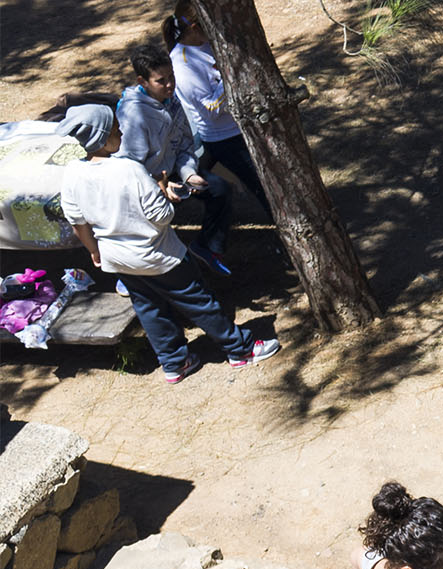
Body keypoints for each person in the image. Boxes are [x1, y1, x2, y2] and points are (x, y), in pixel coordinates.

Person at [59, 113, 279, 384]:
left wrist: (94, 249)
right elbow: (162, 216)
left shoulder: (72, 172)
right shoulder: (129, 169)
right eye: (116, 129)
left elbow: (77, 221)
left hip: (116, 258)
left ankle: (175, 363)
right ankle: (240, 349)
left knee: (149, 307)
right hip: (158, 255)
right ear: (103, 138)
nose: (122, 134)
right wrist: (162, 189)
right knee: (199, 302)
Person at [115, 43, 234, 274]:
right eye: (161, 81)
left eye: (172, 77)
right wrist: (159, 186)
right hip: (145, 185)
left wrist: (188, 173)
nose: (170, 85)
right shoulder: (133, 115)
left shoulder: (172, 100)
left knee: (220, 190)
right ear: (143, 82)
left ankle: (207, 247)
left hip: (170, 174)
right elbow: (129, 169)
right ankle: (130, 273)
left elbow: (184, 145)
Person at [163, 4, 272, 217]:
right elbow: (210, 109)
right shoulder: (183, 64)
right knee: (266, 188)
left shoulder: (205, 44)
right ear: (194, 27)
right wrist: (231, 75)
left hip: (242, 126)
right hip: (226, 138)